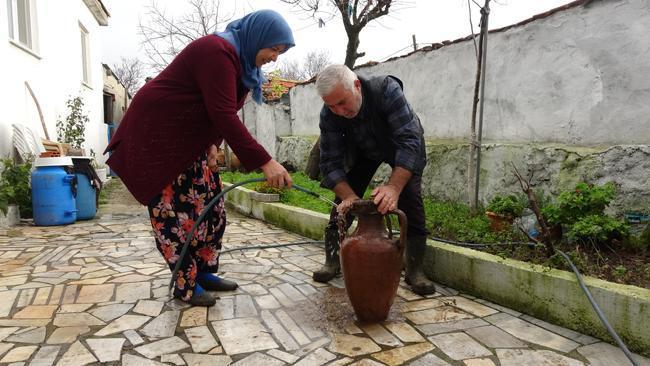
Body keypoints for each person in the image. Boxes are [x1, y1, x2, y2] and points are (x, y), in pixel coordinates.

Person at [105, 10, 295, 306]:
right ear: (258, 37)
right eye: (273, 48)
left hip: (190, 138)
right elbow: (222, 112)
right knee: (173, 216)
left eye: (280, 52)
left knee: (212, 209)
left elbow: (218, 109)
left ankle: (203, 272)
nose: (274, 57)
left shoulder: (244, 68)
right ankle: (186, 285)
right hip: (158, 135)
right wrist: (265, 161)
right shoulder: (216, 52)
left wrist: (213, 143)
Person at [312, 64, 436, 295]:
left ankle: (415, 270)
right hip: (361, 151)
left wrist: (393, 187)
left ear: (357, 86)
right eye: (332, 105)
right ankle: (332, 261)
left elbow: (409, 142)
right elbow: (329, 162)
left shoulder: (386, 90)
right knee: (342, 204)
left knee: (410, 199)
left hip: (400, 145)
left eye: (342, 102)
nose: (338, 110)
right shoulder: (329, 114)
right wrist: (349, 196)